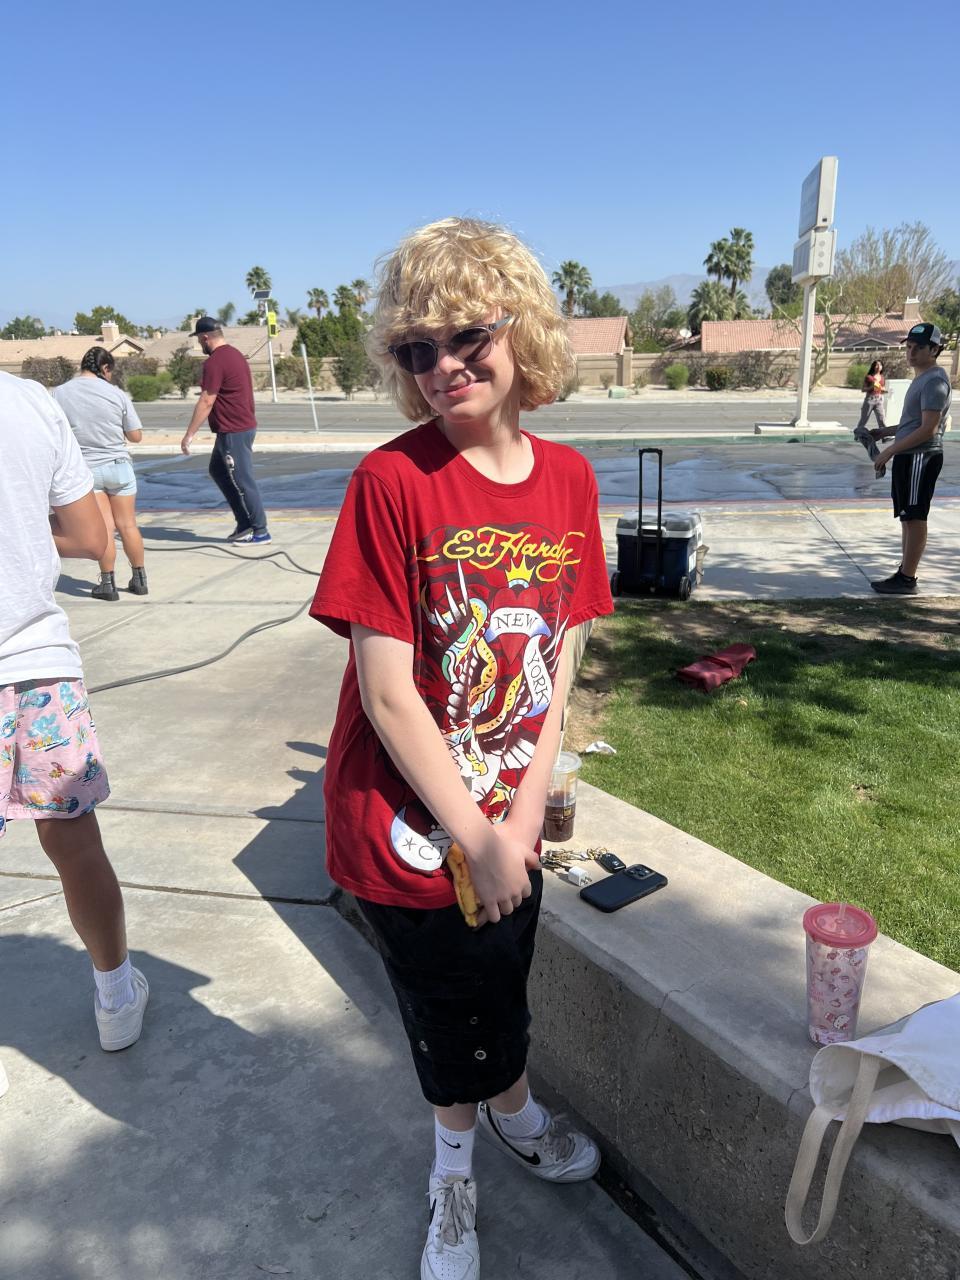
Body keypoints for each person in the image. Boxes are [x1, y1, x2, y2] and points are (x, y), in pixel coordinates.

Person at [310, 218, 613, 1279]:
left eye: (467, 337)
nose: (443, 366)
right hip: (406, 829)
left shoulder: (570, 480)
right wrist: (474, 834)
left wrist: (522, 812)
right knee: (447, 1019)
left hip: (504, 821)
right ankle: (453, 1177)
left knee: (503, 984)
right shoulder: (391, 482)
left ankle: (514, 1114)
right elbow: (387, 693)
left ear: (520, 331)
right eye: (416, 348)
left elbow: (560, 657)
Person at [0, 371, 149, 1053]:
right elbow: (92, 537)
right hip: (36, 663)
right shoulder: (29, 402)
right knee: (75, 841)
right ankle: (115, 997)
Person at [53, 346, 148, 601]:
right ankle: (139, 580)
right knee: (128, 525)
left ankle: (108, 584)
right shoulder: (116, 393)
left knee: (105, 528)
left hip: (88, 470)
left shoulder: (60, 393)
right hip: (119, 466)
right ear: (105, 368)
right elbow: (135, 436)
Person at [870, 323, 952, 594]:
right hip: (910, 455)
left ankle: (907, 579)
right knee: (907, 516)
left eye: (919, 348)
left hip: (921, 456)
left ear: (935, 349)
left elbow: (929, 428)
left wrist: (889, 450)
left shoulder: (935, 381)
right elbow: (914, 423)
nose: (911, 353)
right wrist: (885, 432)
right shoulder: (922, 378)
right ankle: (904, 572)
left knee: (915, 516)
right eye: (909, 347)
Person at [179, 317, 270, 543]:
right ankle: (244, 523)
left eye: (199, 340)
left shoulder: (215, 362)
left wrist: (189, 434)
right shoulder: (235, 355)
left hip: (234, 430)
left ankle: (260, 530)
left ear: (205, 337)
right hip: (237, 427)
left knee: (242, 479)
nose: (199, 344)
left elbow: (207, 400)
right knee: (218, 470)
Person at [853, 359, 887, 472]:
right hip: (870, 399)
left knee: (881, 418)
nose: (878, 367)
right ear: (873, 367)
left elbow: (882, 389)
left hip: (879, 399)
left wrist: (882, 390)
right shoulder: (869, 377)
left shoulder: (882, 378)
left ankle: (884, 436)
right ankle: (858, 434)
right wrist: (871, 386)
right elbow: (863, 389)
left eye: (880, 365)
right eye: (876, 365)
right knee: (864, 419)